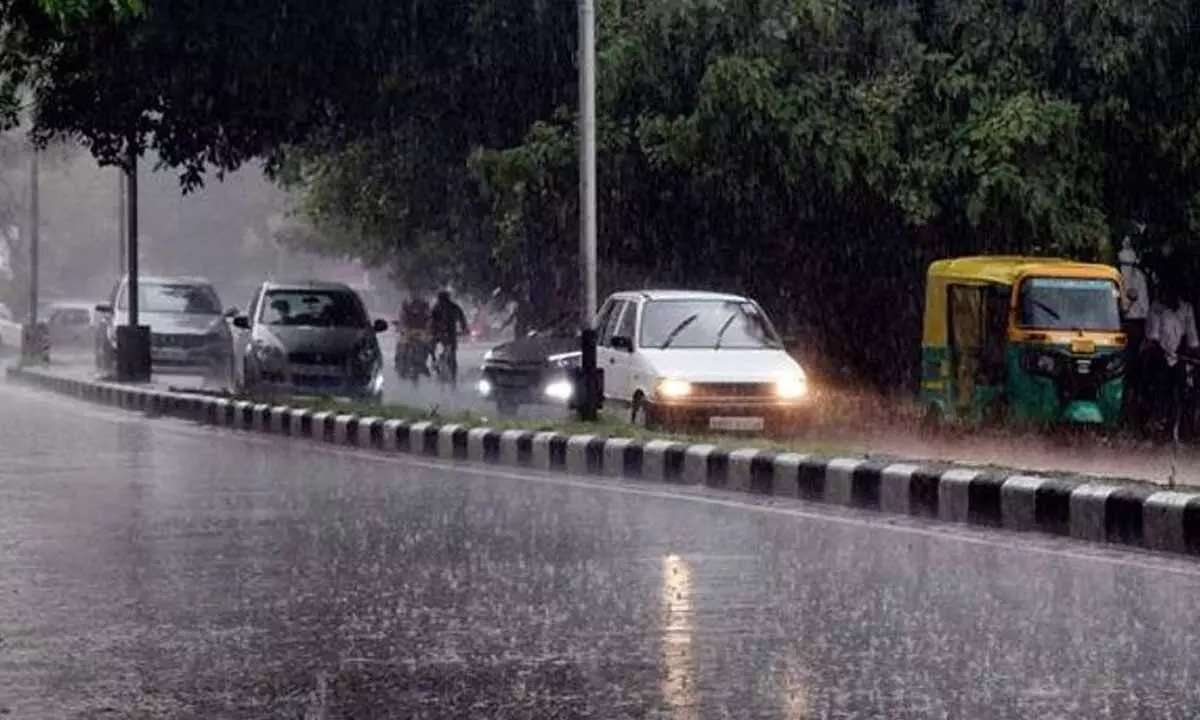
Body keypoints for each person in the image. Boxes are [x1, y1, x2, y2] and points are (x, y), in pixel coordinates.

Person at [1144, 277, 1199, 438]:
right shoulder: (1156, 308)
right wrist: (1165, 356)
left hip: (1179, 358)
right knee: (1159, 390)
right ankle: (1154, 424)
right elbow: (1153, 338)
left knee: (1183, 392)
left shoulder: (1186, 309)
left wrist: (1187, 355)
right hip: (1159, 357)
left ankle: (1180, 429)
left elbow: (1192, 340)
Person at [1118, 240, 1151, 423]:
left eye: (1128, 265)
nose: (1126, 268)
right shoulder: (1117, 276)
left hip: (1135, 326)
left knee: (1134, 369)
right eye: (1124, 265)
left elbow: (1143, 308)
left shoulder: (1139, 278)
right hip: (1118, 325)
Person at [430, 288, 469, 385]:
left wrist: (464, 328)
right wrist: (464, 329)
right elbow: (462, 318)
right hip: (443, 334)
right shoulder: (447, 307)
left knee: (450, 354)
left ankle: (437, 363)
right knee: (435, 349)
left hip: (447, 334)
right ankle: (435, 362)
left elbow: (461, 318)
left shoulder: (444, 307)